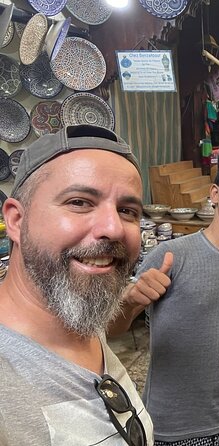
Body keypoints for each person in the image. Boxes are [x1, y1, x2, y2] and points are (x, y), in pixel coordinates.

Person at [0, 125, 154, 444]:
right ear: (16, 220)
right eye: (79, 202)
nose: (113, 228)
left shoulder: (75, 310)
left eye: (127, 211)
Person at [108, 146, 219, 445]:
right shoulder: (171, 256)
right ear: (216, 194)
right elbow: (112, 330)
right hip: (178, 425)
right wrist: (129, 301)